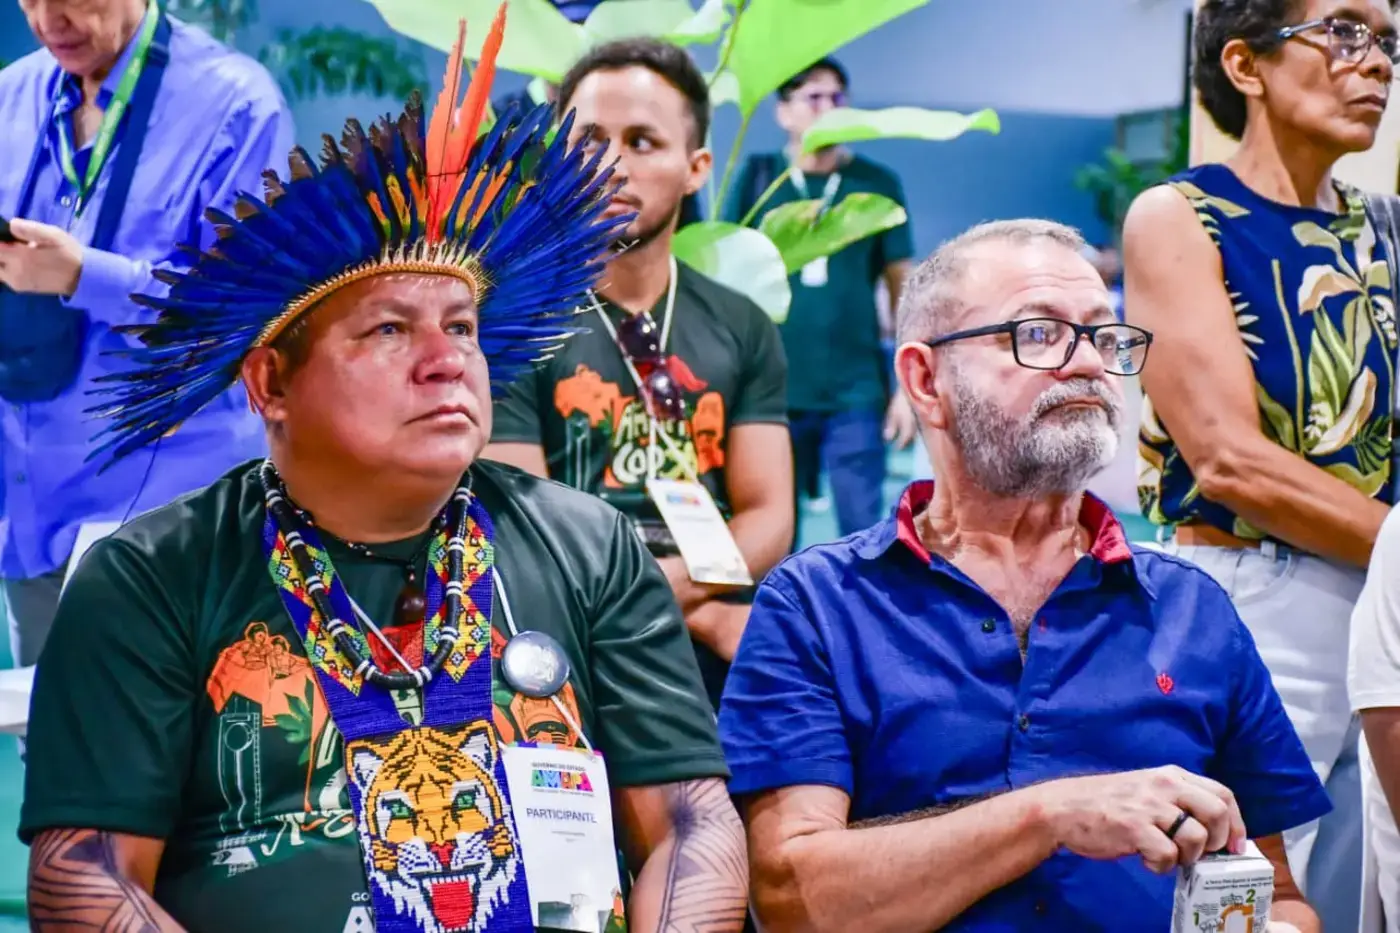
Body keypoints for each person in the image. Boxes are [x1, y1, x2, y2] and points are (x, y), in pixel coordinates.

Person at [20, 12, 747, 933]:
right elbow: (84, 876)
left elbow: (691, 820)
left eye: (463, 327)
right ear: (270, 382)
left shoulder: (591, 548)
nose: (447, 361)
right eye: (391, 329)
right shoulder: (150, 578)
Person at [718, 220, 1329, 932]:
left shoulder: (1191, 609)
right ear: (925, 380)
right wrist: (1050, 815)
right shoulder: (818, 605)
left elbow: (1277, 894)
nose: (1088, 363)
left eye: (1102, 334)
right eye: (1038, 333)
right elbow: (790, 898)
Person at [1122, 2, 1399, 928]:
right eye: (1345, 31)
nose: (1377, 62)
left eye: (1388, 41)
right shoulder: (1181, 216)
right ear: (1246, 65)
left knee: (1371, 894)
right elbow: (1230, 461)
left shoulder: (1389, 228)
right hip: (1250, 597)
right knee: (1243, 895)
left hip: (1383, 595)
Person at [485, 38, 792, 711]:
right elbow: (525, 524)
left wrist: (687, 593)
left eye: (643, 142)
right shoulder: (513, 319)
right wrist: (695, 613)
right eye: (590, 141)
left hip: (716, 612)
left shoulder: (741, 325)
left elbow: (769, 513)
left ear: (696, 168)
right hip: (568, 620)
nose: (612, 165)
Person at [0, 0, 294, 669]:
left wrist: (84, 275)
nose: (48, 21)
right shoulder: (10, 98)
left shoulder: (237, 105)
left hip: (172, 522)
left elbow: (239, 317)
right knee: (53, 731)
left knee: (187, 731)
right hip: (34, 517)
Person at [723, 57, 917, 543]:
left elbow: (903, 284)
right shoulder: (759, 177)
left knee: (864, 532)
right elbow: (726, 279)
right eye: (813, 97)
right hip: (771, 389)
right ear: (783, 111)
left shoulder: (876, 184)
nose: (828, 108)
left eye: (837, 97)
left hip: (855, 390)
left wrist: (905, 387)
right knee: (770, 532)